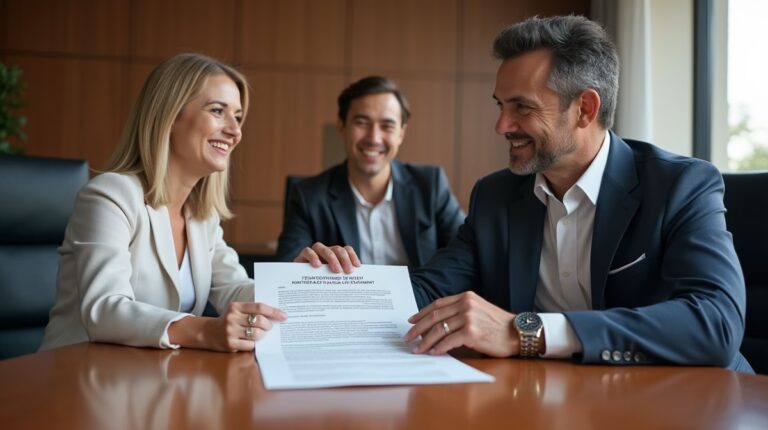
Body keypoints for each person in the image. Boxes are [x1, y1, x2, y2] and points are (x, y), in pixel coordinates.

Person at [303, 16, 753, 372]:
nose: (502, 126)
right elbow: (428, 289)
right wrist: (325, 288)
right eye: (501, 106)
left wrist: (527, 332)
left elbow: (714, 323)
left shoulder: (681, 186)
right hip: (548, 400)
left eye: (522, 107)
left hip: (687, 400)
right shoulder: (496, 196)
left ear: (585, 108)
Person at [40, 53, 286, 352]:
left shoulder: (201, 217)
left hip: (153, 380)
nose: (235, 131)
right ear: (169, 116)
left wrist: (303, 283)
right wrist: (206, 331)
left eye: (237, 116)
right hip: (79, 379)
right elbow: (104, 310)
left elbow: (234, 289)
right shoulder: (110, 195)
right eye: (218, 111)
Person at [278, 76, 465, 272]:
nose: (374, 138)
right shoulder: (308, 196)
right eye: (362, 122)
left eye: (387, 126)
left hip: (421, 300)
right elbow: (286, 268)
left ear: (401, 133)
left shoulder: (430, 185)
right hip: (345, 302)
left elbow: (464, 255)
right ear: (342, 127)